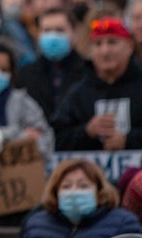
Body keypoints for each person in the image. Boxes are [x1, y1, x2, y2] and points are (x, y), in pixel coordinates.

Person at [11, 159, 142, 238]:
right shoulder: (36, 223)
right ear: (56, 192)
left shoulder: (123, 221)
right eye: (67, 186)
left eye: (83, 186)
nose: (74, 192)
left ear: (99, 191)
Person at [51, 15, 142, 151]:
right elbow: (55, 138)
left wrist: (128, 140)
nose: (105, 51)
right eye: (98, 44)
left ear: (129, 46)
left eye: (112, 42)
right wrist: (87, 132)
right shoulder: (78, 93)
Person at [17, 7, 87, 120]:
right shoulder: (25, 75)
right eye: (47, 31)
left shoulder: (89, 72)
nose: (53, 36)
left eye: (60, 30)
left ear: (74, 33)